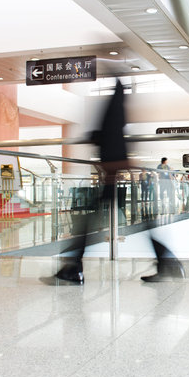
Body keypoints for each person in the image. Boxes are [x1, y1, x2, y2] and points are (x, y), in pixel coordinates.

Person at [53, 79, 130, 284]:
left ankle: (73, 267)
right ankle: (73, 266)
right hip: (112, 173)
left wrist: (95, 138)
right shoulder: (119, 103)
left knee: (87, 222)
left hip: (111, 174)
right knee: (88, 222)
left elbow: (111, 137)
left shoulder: (114, 104)